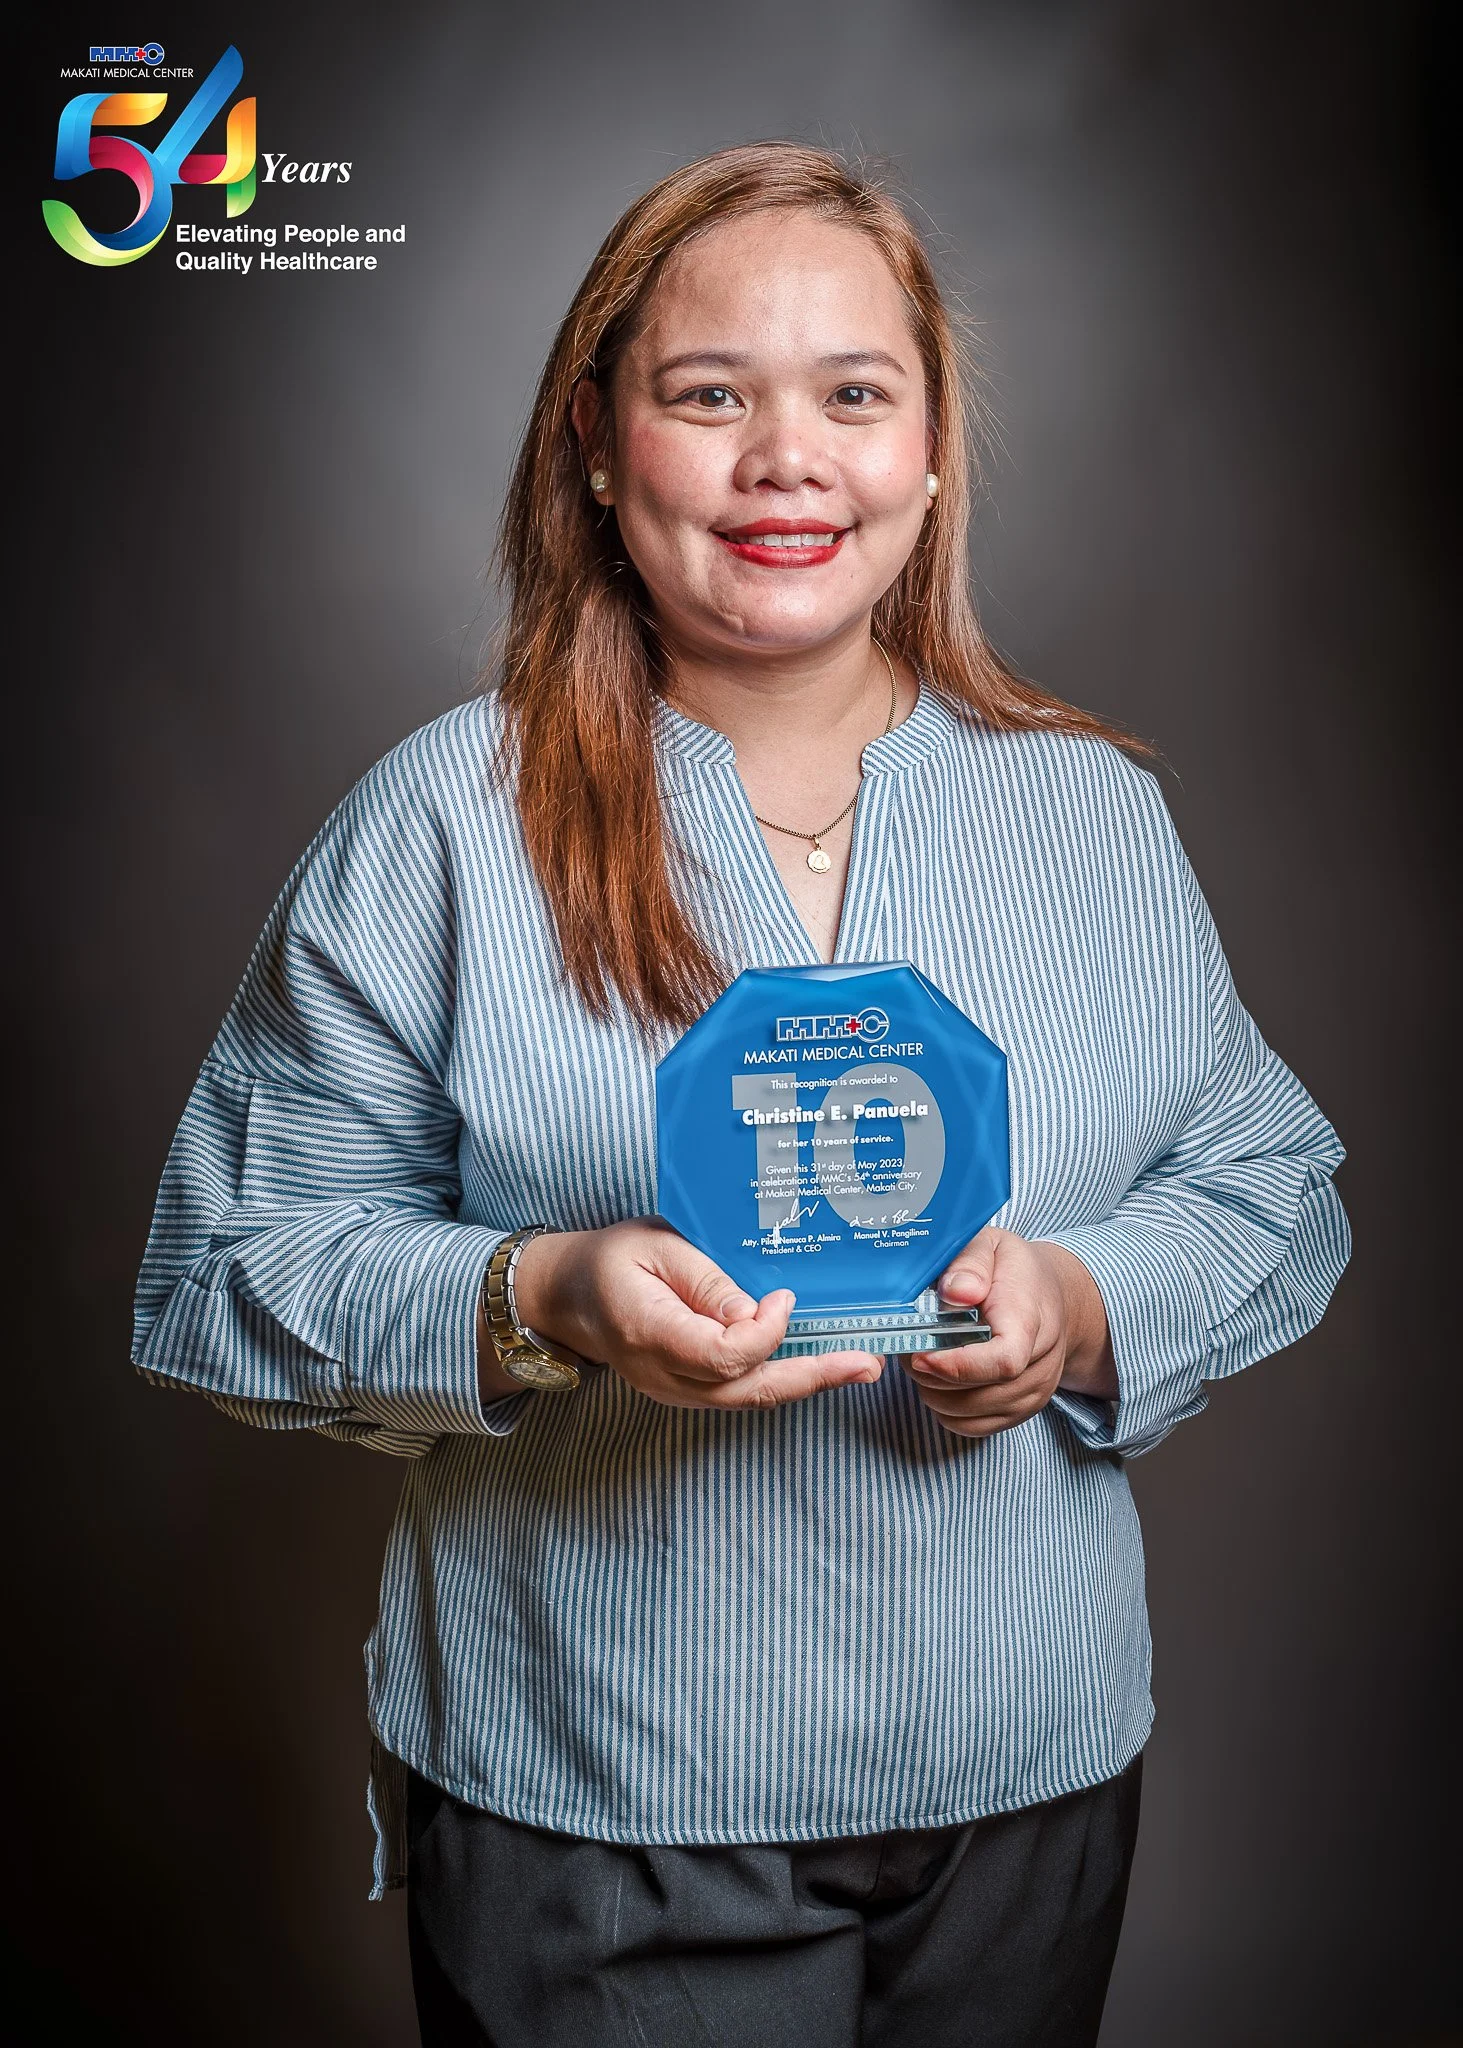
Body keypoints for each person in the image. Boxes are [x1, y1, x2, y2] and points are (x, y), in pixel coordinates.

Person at [132, 142, 1351, 2046]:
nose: (789, 457)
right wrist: (541, 1301)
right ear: (601, 453)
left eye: (853, 395)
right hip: (595, 1815)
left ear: (930, 455)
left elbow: (1271, 1187)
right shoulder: (445, 824)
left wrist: (1090, 1303)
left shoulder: (1094, 821)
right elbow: (222, 1267)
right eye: (710, 396)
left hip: (1023, 1792)